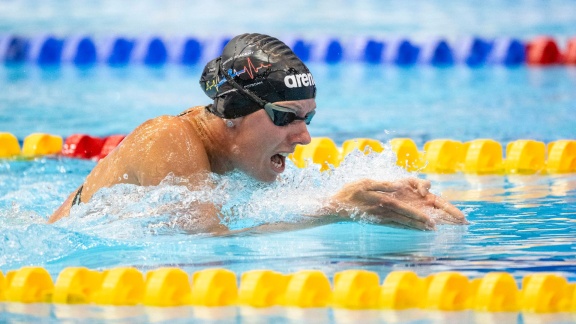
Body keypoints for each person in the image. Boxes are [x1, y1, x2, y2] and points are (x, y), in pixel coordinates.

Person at [49, 33, 467, 233]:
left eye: (309, 119)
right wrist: (335, 210)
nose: (304, 138)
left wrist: (373, 196)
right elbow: (205, 252)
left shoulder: (237, 156)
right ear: (232, 112)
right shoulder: (169, 139)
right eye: (286, 117)